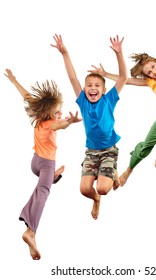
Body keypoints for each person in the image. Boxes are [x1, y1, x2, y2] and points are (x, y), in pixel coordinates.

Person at [89, 1, 156, 187]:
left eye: (153, 67)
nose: (153, 72)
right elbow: (126, 80)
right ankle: (128, 171)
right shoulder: (151, 82)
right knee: (145, 148)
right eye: (149, 72)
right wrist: (105, 74)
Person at [4, 69, 82, 260]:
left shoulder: (40, 117)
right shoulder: (51, 123)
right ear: (49, 112)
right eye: (57, 112)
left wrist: (14, 80)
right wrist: (69, 122)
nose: (60, 113)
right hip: (46, 164)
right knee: (43, 192)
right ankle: (31, 231)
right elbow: (59, 125)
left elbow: (27, 96)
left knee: (43, 186)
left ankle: (52, 177)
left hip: (35, 163)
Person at [51, 34, 128, 220]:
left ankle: (112, 169)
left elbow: (124, 77)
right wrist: (65, 53)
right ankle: (96, 201)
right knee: (85, 189)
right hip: (92, 151)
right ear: (85, 90)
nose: (92, 88)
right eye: (89, 86)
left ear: (103, 90)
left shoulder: (109, 99)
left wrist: (119, 53)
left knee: (103, 188)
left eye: (97, 85)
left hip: (109, 149)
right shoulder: (83, 102)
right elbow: (72, 77)